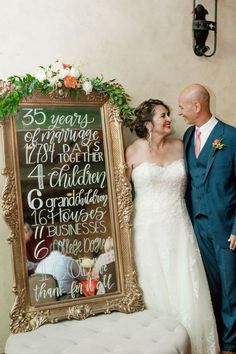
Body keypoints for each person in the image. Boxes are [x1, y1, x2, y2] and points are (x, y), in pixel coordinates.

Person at [125, 98, 220, 354]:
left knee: (186, 286)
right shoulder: (132, 152)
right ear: (147, 123)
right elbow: (121, 197)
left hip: (179, 227)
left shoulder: (181, 146)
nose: (169, 119)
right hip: (146, 231)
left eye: (169, 114)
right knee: (154, 287)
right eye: (162, 115)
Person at [179, 84, 236, 354]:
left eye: (182, 107)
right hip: (197, 223)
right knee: (209, 285)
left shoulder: (231, 137)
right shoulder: (189, 136)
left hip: (225, 226)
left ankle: (231, 344)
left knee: (230, 288)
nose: (179, 112)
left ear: (197, 106)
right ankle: (216, 338)